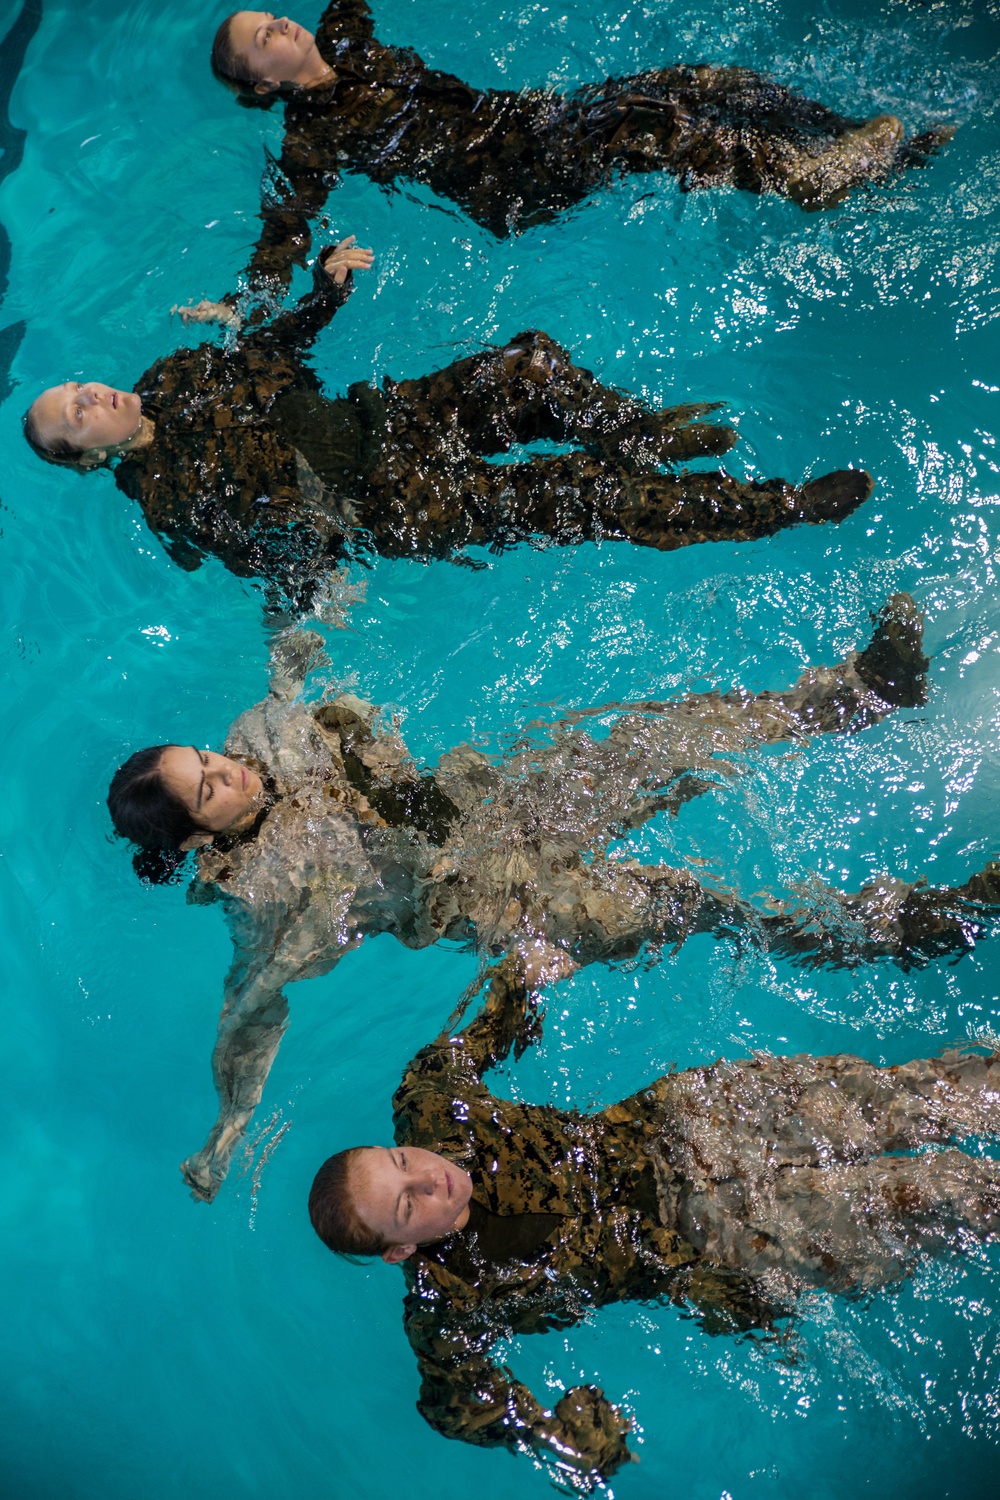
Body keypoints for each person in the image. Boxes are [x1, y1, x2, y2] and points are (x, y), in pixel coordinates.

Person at [106, 608, 999, 1203]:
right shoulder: (259, 895)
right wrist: (227, 1131)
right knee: (695, 902)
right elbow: (250, 1007)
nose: (231, 770)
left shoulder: (257, 738)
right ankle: (918, 928)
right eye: (211, 789)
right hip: (499, 895)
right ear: (194, 841)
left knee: (662, 740)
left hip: (496, 805)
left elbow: (289, 677)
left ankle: (861, 694)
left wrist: (309, 610)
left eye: (209, 760)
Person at [307, 951, 1000, 1483]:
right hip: (710, 1249)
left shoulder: (433, 1108)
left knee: (918, 1099)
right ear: (399, 1251)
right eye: (408, 1203)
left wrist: (529, 973)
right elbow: (454, 1405)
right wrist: (557, 1434)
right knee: (951, 1200)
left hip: (678, 1127)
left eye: (402, 1159)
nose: (431, 1175)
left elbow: (473, 1035)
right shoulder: (450, 1301)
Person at [24, 238, 871, 613]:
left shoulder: (172, 373)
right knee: (581, 494)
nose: (92, 395)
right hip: (394, 500)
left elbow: (273, 351)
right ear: (83, 461)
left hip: (389, 420)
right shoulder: (167, 497)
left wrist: (323, 293)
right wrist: (314, 592)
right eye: (76, 414)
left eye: (79, 386)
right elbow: (268, 552)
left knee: (530, 367)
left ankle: (646, 438)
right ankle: (774, 510)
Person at [208, 5, 952, 298]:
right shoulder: (311, 135)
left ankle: (843, 138)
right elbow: (288, 222)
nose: (278, 25)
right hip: (505, 178)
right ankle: (807, 181)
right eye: (261, 41)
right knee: (649, 123)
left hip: (527, 123)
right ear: (262, 87)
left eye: (270, 17)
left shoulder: (345, 41)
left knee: (706, 82)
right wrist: (244, 302)